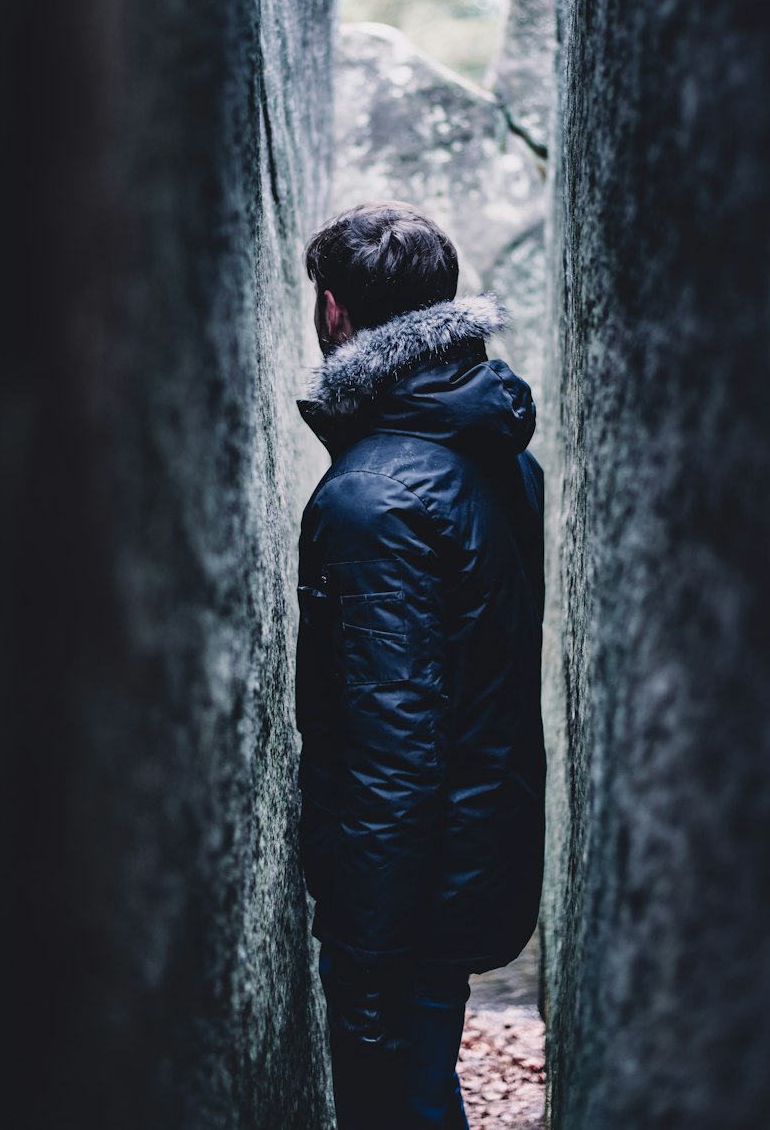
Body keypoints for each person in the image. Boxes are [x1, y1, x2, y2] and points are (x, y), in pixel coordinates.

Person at [295, 201, 545, 1130]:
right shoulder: (497, 456)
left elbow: (390, 750)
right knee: (424, 1088)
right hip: (468, 850)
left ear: (333, 311)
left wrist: (365, 951)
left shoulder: (370, 498)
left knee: (395, 1107)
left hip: (402, 889)